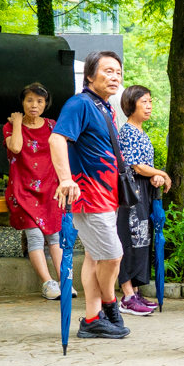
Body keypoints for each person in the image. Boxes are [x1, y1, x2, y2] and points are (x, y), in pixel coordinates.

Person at [51, 51, 130, 340]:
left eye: (118, 72)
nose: (114, 76)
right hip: (89, 196)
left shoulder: (104, 106)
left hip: (107, 195)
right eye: (107, 71)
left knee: (96, 258)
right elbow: (57, 138)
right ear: (89, 75)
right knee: (112, 255)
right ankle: (111, 305)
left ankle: (92, 318)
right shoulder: (80, 103)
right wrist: (65, 179)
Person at [4, 83, 64, 299]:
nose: (34, 105)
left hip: (49, 188)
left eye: (39, 101)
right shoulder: (10, 127)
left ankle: (64, 281)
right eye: (29, 100)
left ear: (46, 104)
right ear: (22, 103)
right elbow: (17, 148)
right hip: (23, 189)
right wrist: (18, 123)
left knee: (55, 236)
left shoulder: (52, 126)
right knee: (36, 237)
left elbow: (61, 154)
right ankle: (48, 283)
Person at [116, 85, 172, 317]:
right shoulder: (128, 131)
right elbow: (136, 165)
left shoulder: (140, 131)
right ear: (131, 104)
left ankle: (136, 291)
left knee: (141, 239)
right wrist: (163, 173)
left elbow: (144, 168)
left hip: (142, 192)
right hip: (130, 195)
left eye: (151, 101)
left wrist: (156, 176)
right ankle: (127, 295)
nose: (149, 106)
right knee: (129, 240)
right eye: (144, 102)